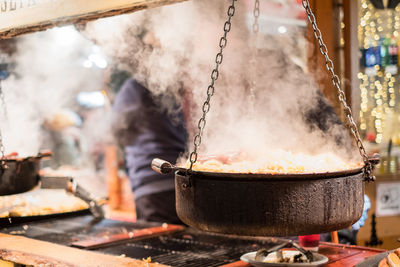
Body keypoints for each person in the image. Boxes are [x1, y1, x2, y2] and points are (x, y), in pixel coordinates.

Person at [112, 78, 187, 224]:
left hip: (151, 185)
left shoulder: (134, 86)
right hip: (181, 185)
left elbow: (114, 128)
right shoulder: (168, 86)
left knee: (157, 241)